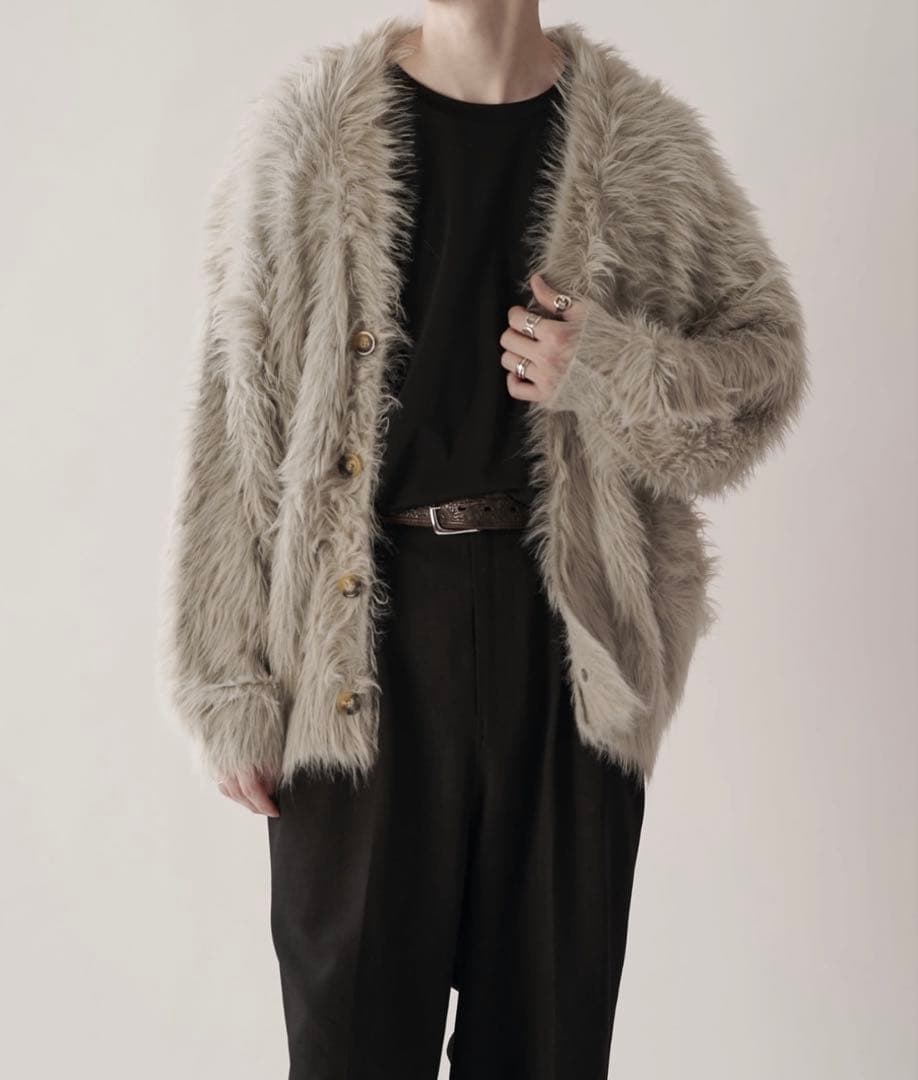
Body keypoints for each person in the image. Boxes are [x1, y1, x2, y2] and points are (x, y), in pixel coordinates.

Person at [157, 4, 809, 1078]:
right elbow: (237, 411)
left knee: (546, 1046)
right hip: (356, 654)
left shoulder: (639, 140)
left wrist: (609, 367)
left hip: (565, 651)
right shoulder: (309, 132)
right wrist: (224, 676)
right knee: (352, 1046)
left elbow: (765, 365)